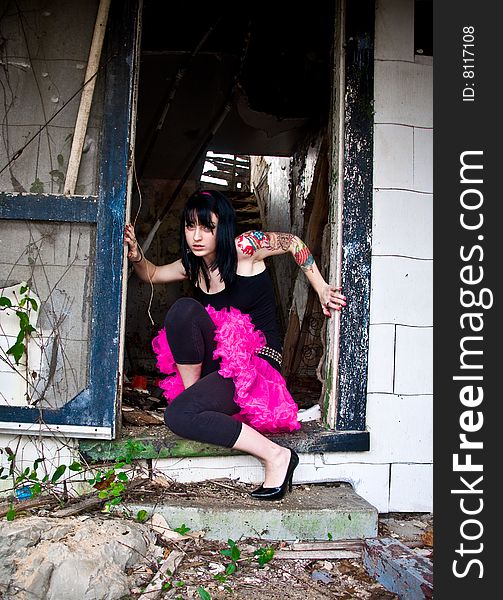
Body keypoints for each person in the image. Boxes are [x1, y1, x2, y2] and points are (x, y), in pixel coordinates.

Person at [124, 189, 346, 500]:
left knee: (178, 417)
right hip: (221, 362)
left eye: (207, 227)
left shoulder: (246, 247)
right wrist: (136, 256)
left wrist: (321, 287)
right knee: (183, 311)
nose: (197, 236)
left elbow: (293, 243)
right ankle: (196, 399)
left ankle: (277, 456)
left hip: (257, 362)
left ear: (223, 228)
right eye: (191, 227)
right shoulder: (195, 264)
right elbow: (152, 273)